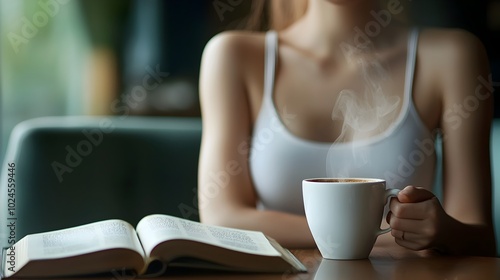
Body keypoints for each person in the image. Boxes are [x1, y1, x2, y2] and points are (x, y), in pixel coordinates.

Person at [197, 0, 496, 256]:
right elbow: (221, 216)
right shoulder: (234, 56)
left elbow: (480, 238)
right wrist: (359, 235)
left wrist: (442, 230)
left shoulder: (452, 57)